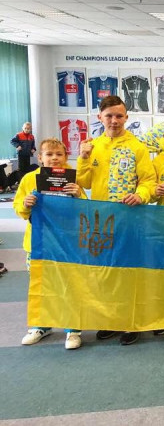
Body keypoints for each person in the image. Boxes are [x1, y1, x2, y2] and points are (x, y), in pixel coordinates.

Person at [76, 95, 156, 346]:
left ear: (126, 118)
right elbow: (83, 182)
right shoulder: (93, 146)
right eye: (109, 116)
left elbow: (149, 181)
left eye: (119, 116)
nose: (114, 120)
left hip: (130, 219)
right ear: (100, 117)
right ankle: (111, 320)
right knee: (107, 271)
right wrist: (83, 158)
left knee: (129, 271)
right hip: (102, 220)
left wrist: (141, 195)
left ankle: (131, 322)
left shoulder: (137, 147)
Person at [14, 138, 86, 350]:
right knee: (40, 284)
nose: (54, 158)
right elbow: (19, 207)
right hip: (38, 243)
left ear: (66, 157)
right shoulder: (30, 179)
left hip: (67, 242)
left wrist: (77, 195)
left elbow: (84, 211)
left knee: (69, 284)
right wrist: (25, 204)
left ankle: (72, 328)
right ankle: (40, 325)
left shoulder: (72, 178)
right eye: (49, 154)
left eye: (59, 154)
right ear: (40, 158)